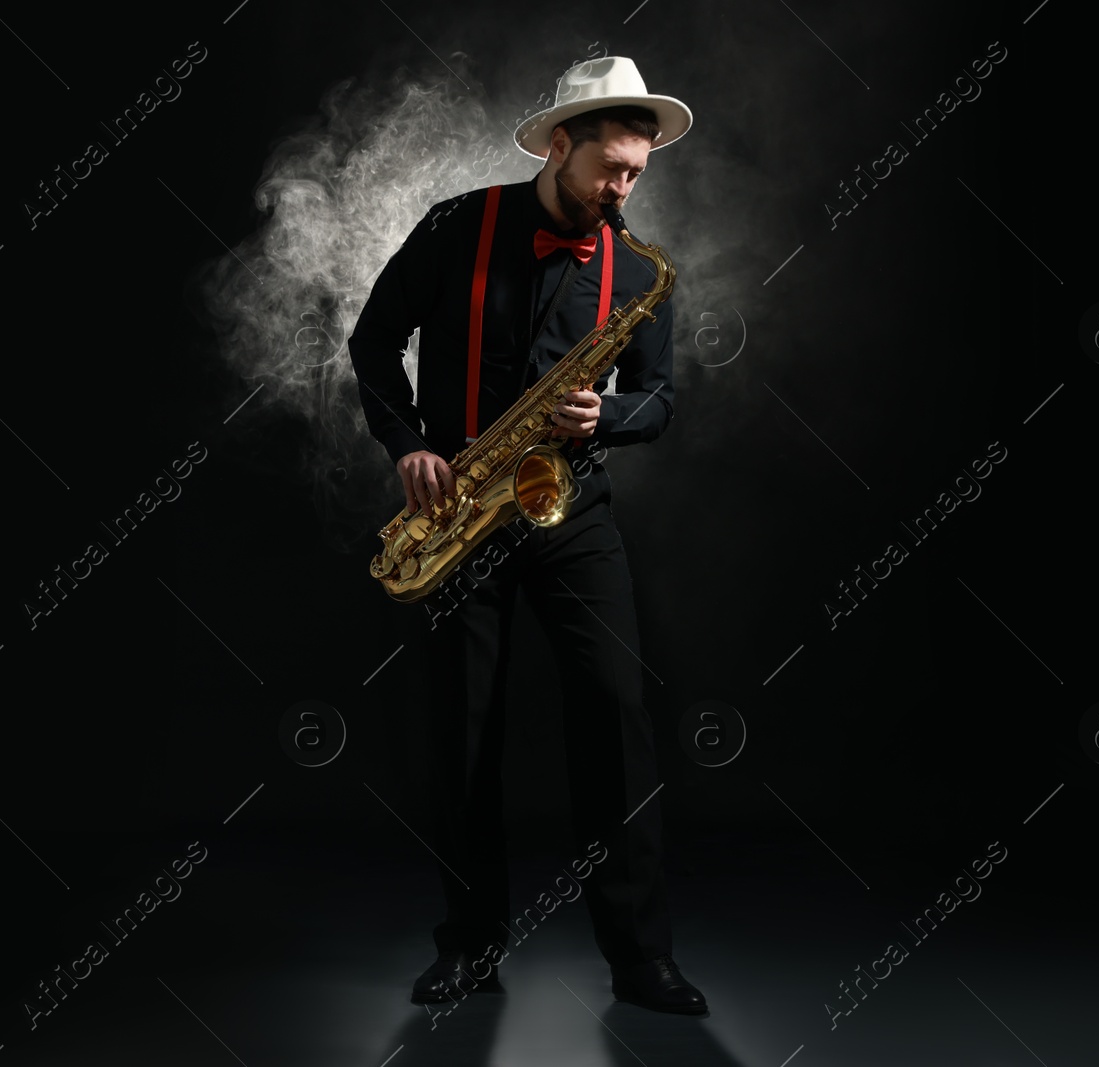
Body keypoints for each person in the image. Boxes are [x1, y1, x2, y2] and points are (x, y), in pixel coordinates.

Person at [347, 56, 705, 1015]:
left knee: (618, 728)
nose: (623, 191)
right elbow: (373, 340)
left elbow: (660, 401)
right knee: (464, 735)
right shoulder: (455, 226)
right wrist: (407, 445)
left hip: (570, 507)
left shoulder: (637, 271)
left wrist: (608, 419)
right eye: (610, 171)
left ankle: (641, 959)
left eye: (636, 174)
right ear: (560, 145)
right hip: (456, 506)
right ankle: (468, 947)